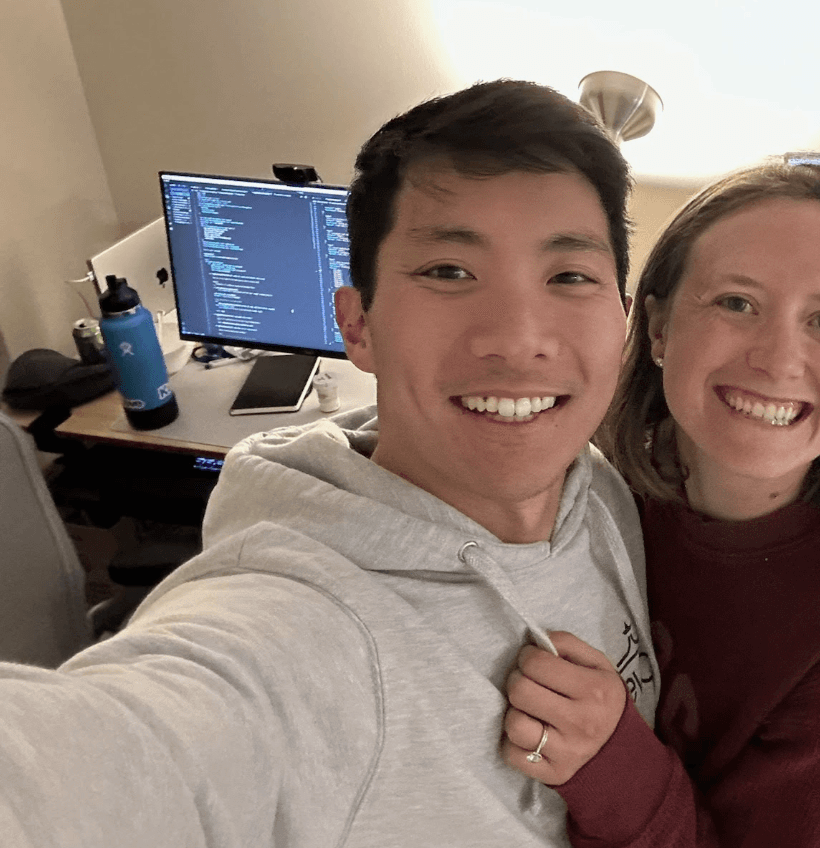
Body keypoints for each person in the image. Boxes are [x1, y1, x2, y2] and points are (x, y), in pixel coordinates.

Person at [0, 79, 659, 847]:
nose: (518, 339)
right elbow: (113, 757)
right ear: (358, 326)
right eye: (449, 270)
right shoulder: (302, 628)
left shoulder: (601, 487)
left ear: (621, 317)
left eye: (570, 277)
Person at [499, 161, 820, 846]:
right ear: (656, 327)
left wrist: (609, 762)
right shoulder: (597, 480)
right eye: (736, 303)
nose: (777, 360)